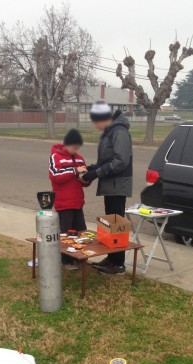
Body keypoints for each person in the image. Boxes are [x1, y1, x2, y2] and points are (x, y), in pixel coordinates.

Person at [81, 101, 133, 275]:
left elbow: (121, 161)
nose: (95, 126)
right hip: (110, 185)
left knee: (116, 224)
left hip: (118, 185)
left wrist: (97, 173)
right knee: (109, 223)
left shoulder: (119, 131)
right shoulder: (109, 132)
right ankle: (111, 258)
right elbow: (106, 159)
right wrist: (92, 169)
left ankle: (118, 263)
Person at [48, 129, 89, 270]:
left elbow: (83, 180)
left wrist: (86, 177)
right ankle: (66, 259)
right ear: (66, 144)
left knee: (80, 232)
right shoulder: (55, 157)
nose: (75, 150)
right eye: (73, 147)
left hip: (77, 201)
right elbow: (55, 175)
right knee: (66, 233)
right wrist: (74, 171)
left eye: (78, 148)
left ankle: (78, 256)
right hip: (63, 202)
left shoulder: (79, 158)